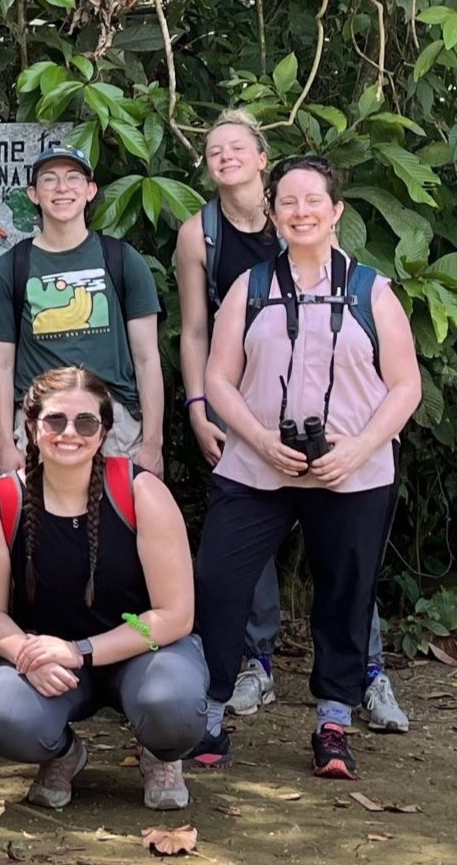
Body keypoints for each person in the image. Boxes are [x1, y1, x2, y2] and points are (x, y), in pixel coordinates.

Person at [173, 112, 408, 732]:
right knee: (220, 582)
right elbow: (219, 376)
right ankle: (212, 711)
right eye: (289, 203)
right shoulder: (250, 286)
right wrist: (256, 439)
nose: (301, 212)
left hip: (351, 469)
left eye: (314, 201)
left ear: (335, 212)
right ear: (274, 215)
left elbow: (405, 385)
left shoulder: (371, 289)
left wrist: (359, 448)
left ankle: (334, 719)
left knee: (346, 593)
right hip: (257, 464)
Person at [0, 368, 206, 812]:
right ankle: (61, 753)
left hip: (141, 647)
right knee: (8, 717)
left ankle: (162, 753)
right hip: (49, 657)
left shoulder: (140, 492)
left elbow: (174, 615)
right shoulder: (3, 501)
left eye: (86, 423)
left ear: (104, 432)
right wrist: (24, 651)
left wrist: (78, 650)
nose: (69, 434)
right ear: (32, 429)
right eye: (55, 421)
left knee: (173, 703)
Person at [0, 143, 164, 477]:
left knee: (118, 524)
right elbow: (0, 365)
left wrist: (153, 443)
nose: (62, 188)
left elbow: (147, 359)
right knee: (41, 527)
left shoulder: (122, 260)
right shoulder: (10, 268)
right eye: (50, 180)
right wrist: (5, 443)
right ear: (33, 193)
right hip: (40, 421)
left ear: (90, 191)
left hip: (113, 422)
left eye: (73, 178)